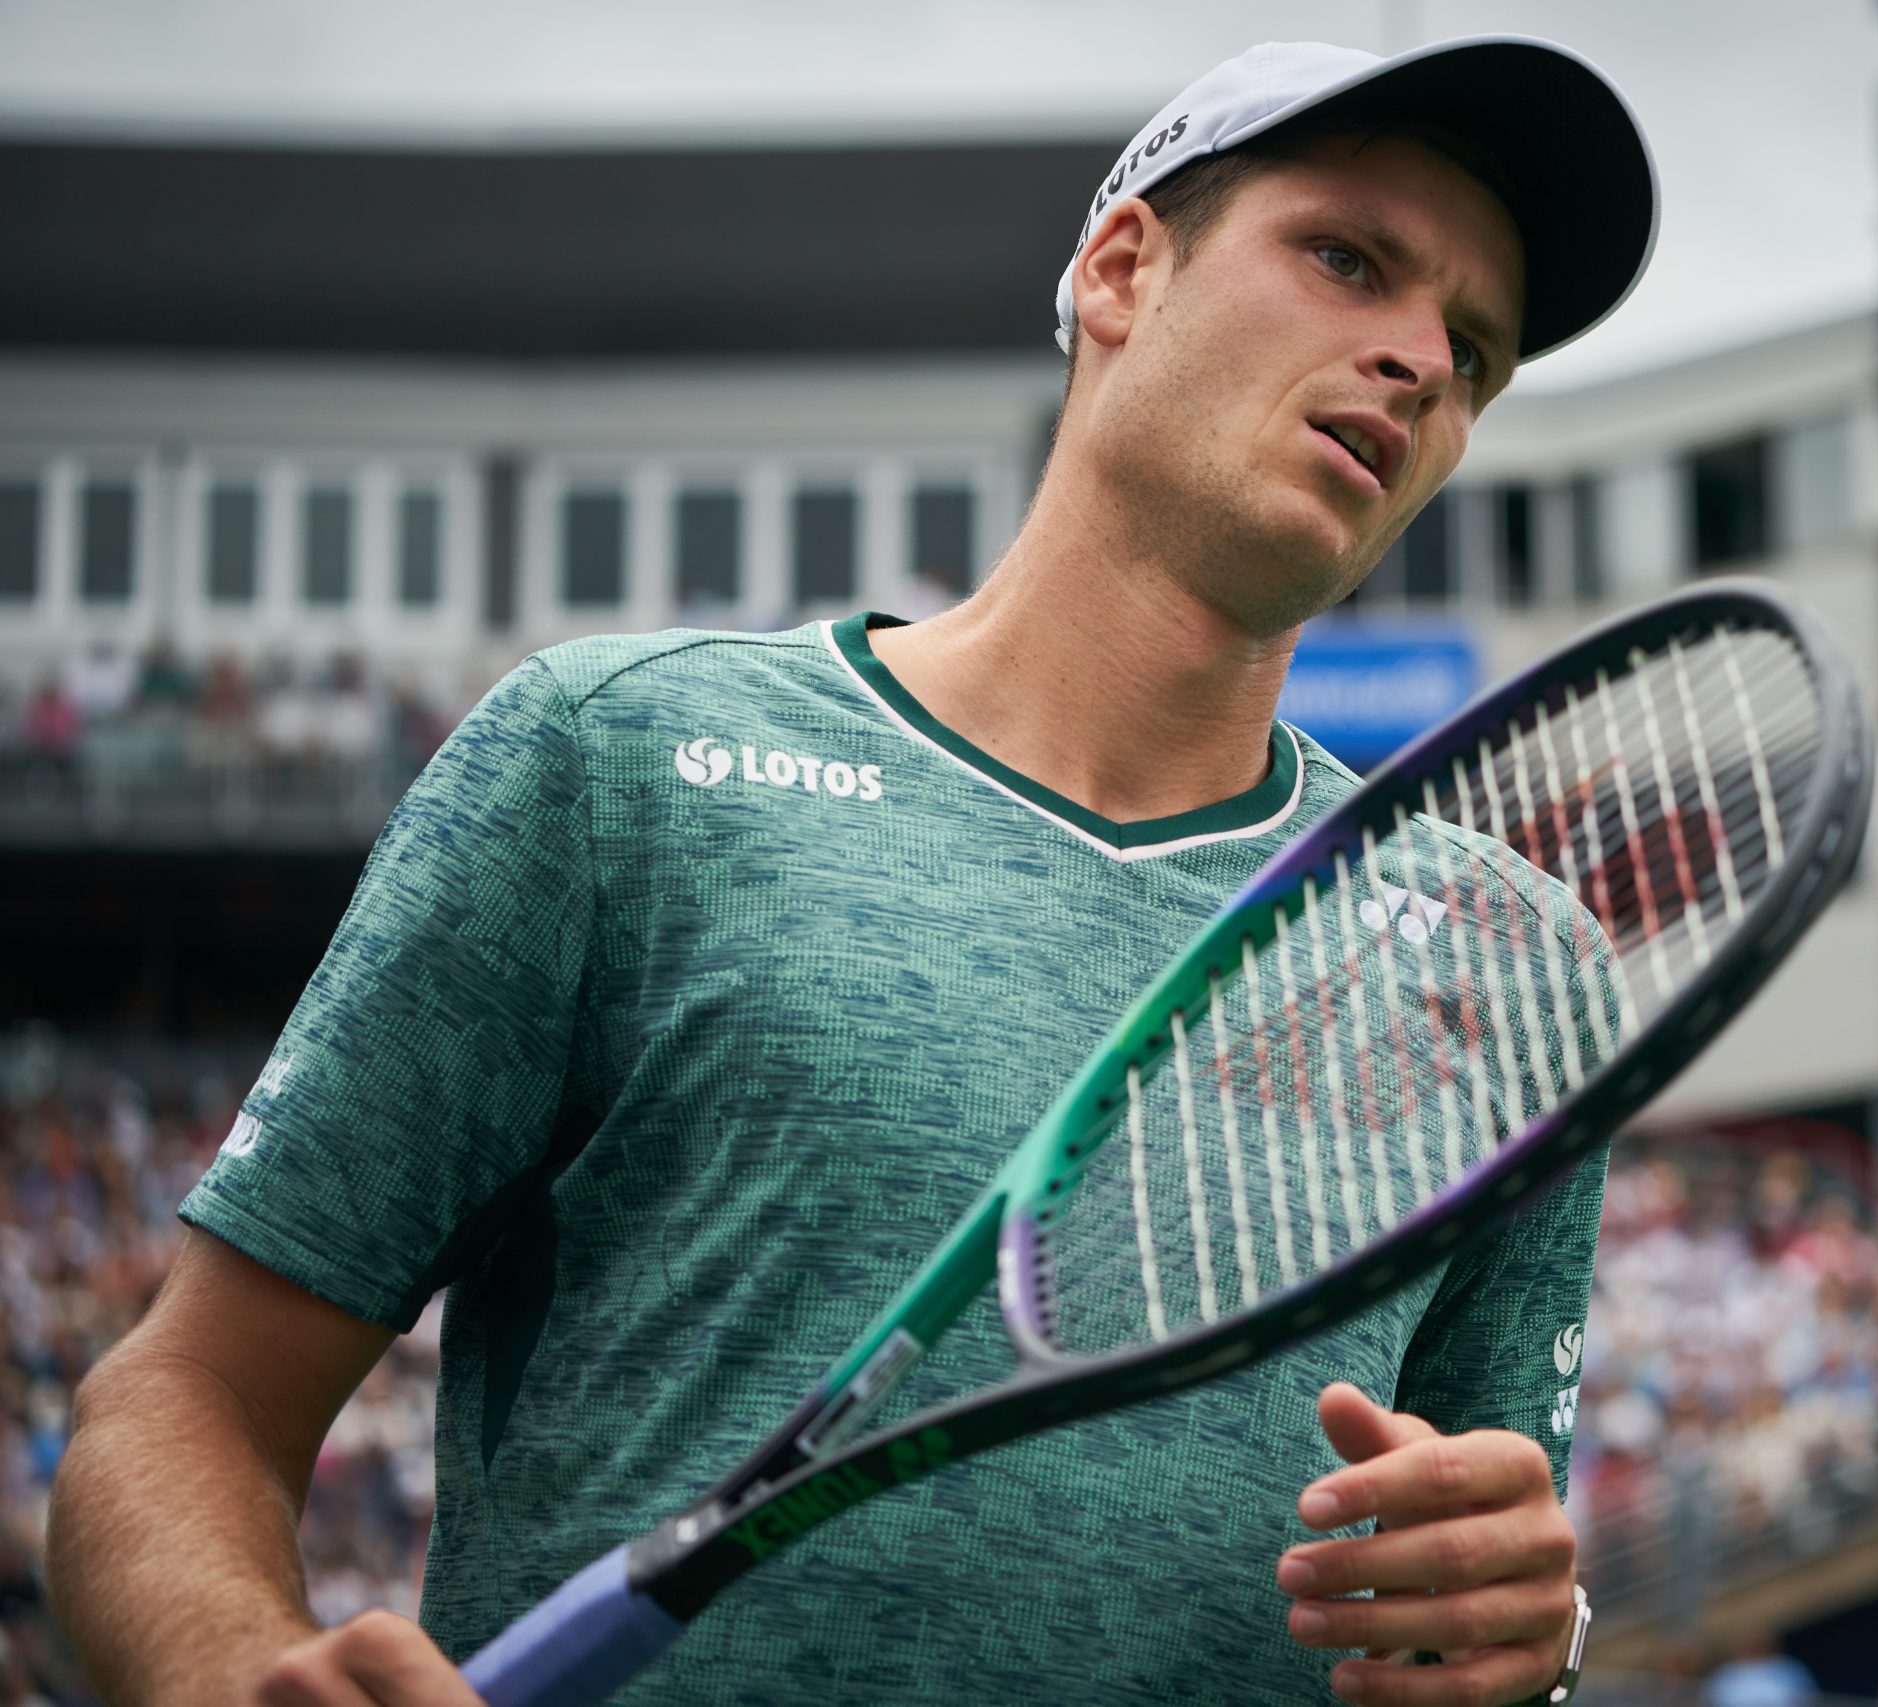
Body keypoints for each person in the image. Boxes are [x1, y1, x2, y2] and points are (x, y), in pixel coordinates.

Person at [45, 34, 1656, 1707]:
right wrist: (237, 1672)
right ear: (1124, 271)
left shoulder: (1510, 961)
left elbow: (1467, 1623)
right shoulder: (616, 758)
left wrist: (1518, 1647)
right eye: (1348, 260)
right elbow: (181, 1404)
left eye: (1472, 349)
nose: (1414, 360)